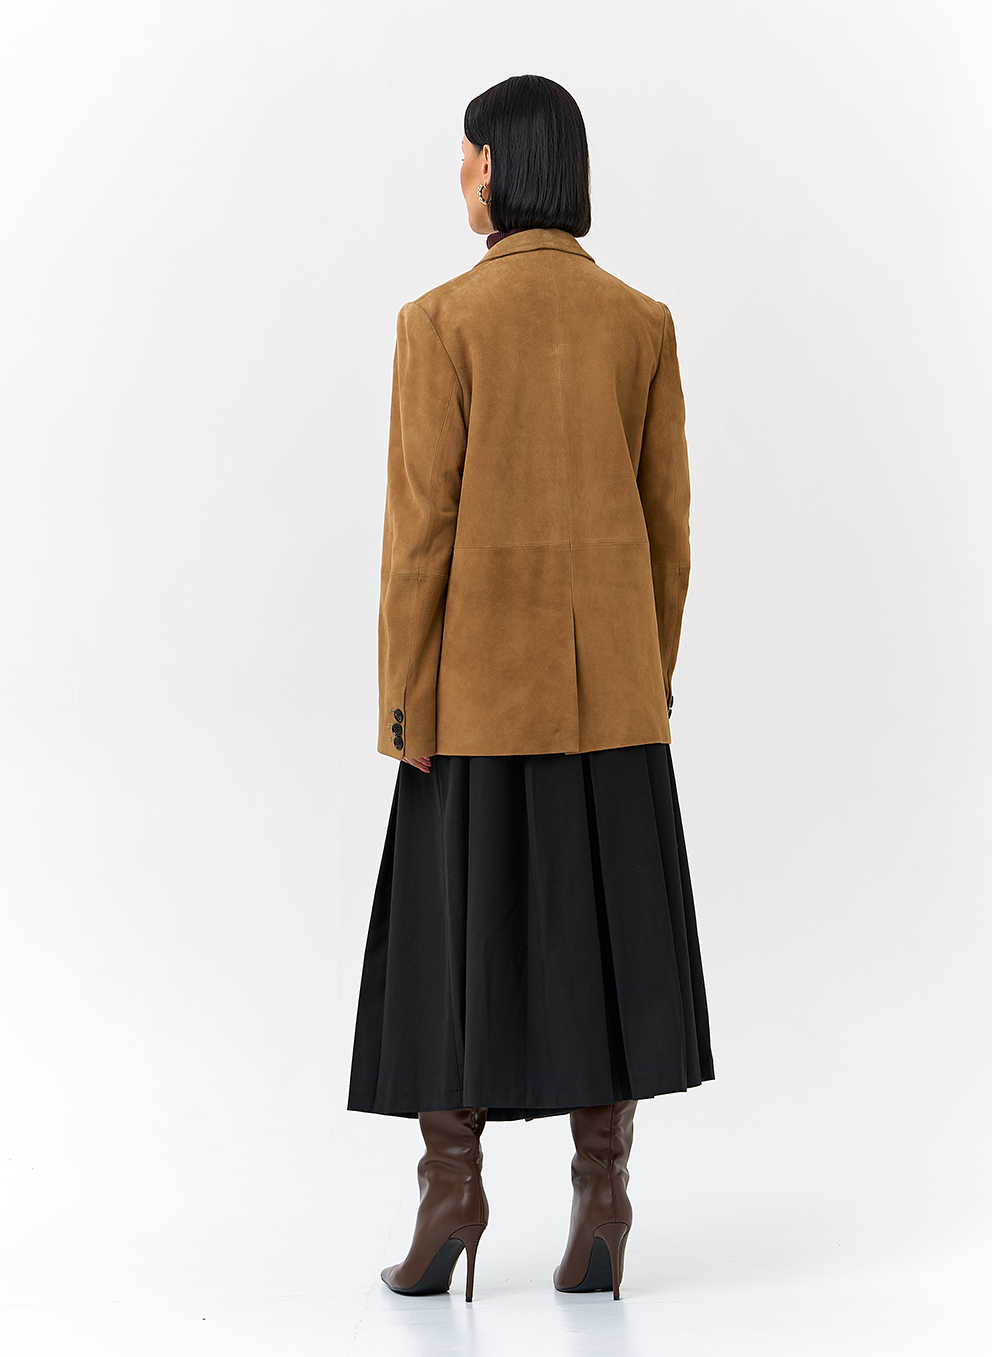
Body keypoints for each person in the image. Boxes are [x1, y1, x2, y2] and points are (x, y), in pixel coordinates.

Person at [347, 74, 714, 1302]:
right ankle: (602, 1196)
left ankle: (450, 1195)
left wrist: (404, 707)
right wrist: (642, 680)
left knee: (449, 947)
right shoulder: (640, 323)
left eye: (466, 156)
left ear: (498, 166)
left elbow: (418, 540)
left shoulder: (438, 323)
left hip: (471, 704)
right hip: (613, 703)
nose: (459, 176)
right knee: (603, 941)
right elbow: (668, 536)